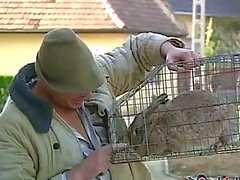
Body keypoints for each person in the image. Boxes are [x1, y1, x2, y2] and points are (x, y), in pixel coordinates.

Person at [0, 28, 200, 180]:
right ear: (48, 83)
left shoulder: (93, 75)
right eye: (79, 89)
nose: (88, 94)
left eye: (91, 86)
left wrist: (168, 49)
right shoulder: (11, 129)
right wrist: (76, 175)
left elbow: (136, 50)